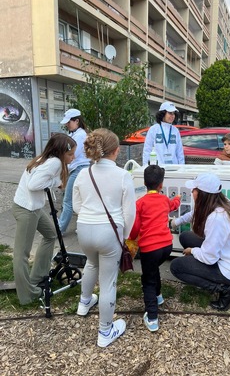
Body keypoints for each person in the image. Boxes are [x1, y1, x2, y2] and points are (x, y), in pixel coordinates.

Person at [72, 128, 136, 348]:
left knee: (91, 263)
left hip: (84, 228)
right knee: (108, 281)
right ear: (116, 151)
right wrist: (124, 237)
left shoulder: (82, 173)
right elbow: (130, 213)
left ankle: (84, 302)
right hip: (110, 231)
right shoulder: (122, 175)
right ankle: (105, 331)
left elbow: (76, 205)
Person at [170, 173, 230, 311]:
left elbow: (209, 257)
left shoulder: (217, 218)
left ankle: (225, 290)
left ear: (203, 194)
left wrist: (192, 251)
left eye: (195, 189)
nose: (192, 192)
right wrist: (175, 222)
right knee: (185, 237)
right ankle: (205, 274)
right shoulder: (220, 201)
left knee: (176, 267)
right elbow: (194, 213)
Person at [12, 133, 77, 305]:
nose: (73, 157)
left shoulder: (46, 158)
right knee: (21, 254)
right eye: (70, 154)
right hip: (27, 210)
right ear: (61, 152)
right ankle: (27, 295)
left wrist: (54, 181)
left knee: (50, 234)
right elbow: (33, 185)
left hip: (32, 207)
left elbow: (39, 179)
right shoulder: (54, 162)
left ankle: (38, 276)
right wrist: (55, 183)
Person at [129, 165, 181, 332]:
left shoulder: (140, 203)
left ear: (144, 183)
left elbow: (135, 228)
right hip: (167, 246)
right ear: (161, 185)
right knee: (154, 270)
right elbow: (173, 205)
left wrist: (130, 239)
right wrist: (179, 198)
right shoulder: (164, 199)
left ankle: (152, 318)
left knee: (148, 280)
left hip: (149, 248)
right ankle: (158, 297)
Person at [58, 108, 90, 234]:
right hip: (77, 169)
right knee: (79, 200)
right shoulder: (74, 134)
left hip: (79, 169)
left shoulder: (80, 134)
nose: (66, 124)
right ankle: (83, 226)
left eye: (68, 122)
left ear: (76, 121)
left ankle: (60, 229)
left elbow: (72, 154)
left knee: (68, 200)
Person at [142, 101, 185, 165]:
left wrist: (182, 168)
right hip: (158, 169)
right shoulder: (153, 129)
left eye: (173, 113)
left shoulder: (175, 131)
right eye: (170, 113)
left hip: (174, 168)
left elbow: (179, 152)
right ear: (162, 114)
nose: (172, 116)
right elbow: (147, 150)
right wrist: (145, 167)